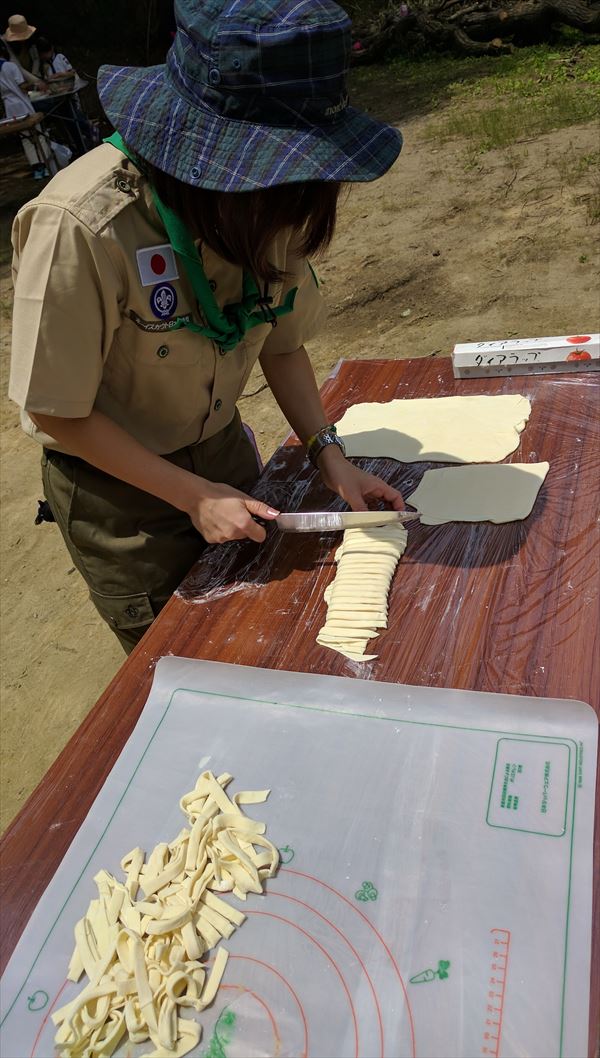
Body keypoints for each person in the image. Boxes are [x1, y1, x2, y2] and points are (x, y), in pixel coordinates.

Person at [9, 0, 405, 653]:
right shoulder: (79, 225)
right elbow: (57, 412)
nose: (290, 209)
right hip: (119, 489)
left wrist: (330, 457)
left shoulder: (280, 207)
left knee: (264, 629)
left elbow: (282, 344)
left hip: (221, 451)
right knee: (184, 654)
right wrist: (190, 495)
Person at [0, 39, 51, 177]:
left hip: (10, 108)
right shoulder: (10, 66)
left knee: (25, 138)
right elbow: (22, 86)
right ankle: (45, 164)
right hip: (22, 105)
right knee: (38, 134)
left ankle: (36, 169)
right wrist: (37, 86)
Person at [1, 14, 43, 85]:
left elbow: (36, 58)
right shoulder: (5, 43)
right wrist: (36, 81)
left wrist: (35, 74)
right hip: (18, 79)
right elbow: (16, 66)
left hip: (31, 72)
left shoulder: (30, 41)